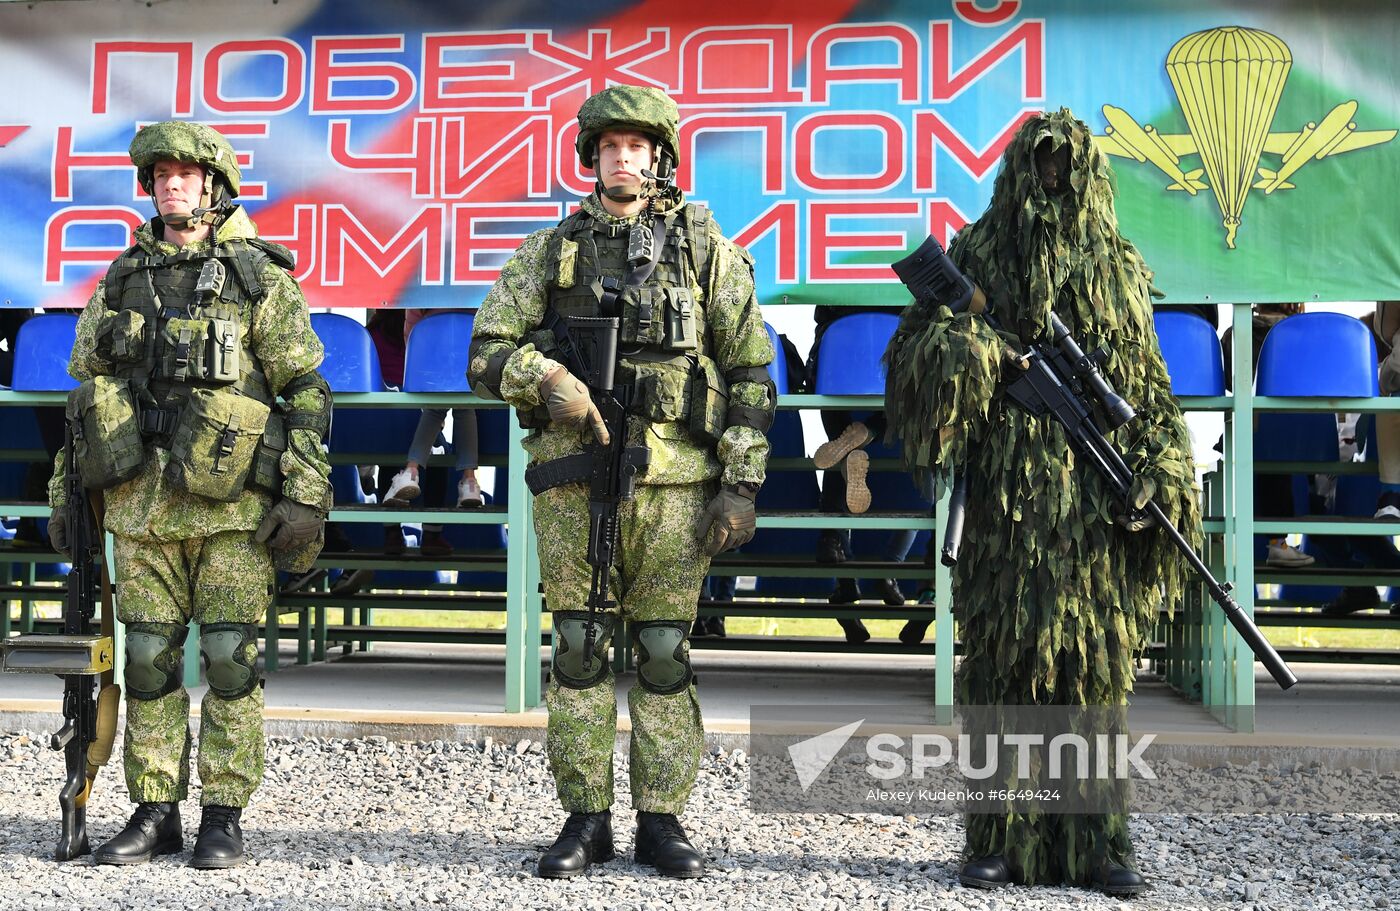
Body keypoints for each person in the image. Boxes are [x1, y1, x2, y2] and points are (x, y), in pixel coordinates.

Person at [885, 109, 1202, 895]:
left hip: (1091, 516)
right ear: (1018, 170)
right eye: (1041, 165)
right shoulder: (977, 255)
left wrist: (1161, 464)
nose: (1052, 179)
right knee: (1000, 677)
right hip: (1001, 508)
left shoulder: (1117, 268)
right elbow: (914, 361)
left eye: (1067, 168)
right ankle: (993, 840)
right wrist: (977, 350)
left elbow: (1147, 387)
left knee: (1091, 682)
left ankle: (1098, 844)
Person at [468, 84, 774, 879]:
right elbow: (485, 350)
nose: (623, 158)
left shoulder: (706, 247)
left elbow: (750, 369)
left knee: (665, 651)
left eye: (637, 146)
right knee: (579, 649)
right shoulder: (551, 250)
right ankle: (585, 818)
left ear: (660, 157)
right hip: (577, 477)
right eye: (609, 147)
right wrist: (544, 379)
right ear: (591, 157)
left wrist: (738, 485)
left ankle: (663, 819)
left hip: (676, 483)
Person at [47, 121, 331, 868]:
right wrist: (63, 493)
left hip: (233, 509)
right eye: (162, 174)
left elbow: (304, 388)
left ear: (214, 185)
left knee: (232, 659)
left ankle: (224, 812)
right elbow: (84, 393)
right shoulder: (119, 279)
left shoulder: (256, 276)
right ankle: (155, 808)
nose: (173, 184)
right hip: (143, 509)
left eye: (187, 173)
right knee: (148, 662)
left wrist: (304, 494)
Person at [1222, 302, 1316, 568]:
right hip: (1303, 435)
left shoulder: (1235, 333)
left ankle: (1266, 545)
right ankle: (1278, 542)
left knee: (1259, 445)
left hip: (1249, 432)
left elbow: (1229, 380)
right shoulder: (1308, 334)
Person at [381, 307, 484, 510]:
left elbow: (411, 331)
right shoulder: (475, 284)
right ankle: (470, 482)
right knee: (466, 408)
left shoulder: (425, 282)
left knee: (434, 408)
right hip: (469, 354)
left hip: (433, 355)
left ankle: (411, 472)